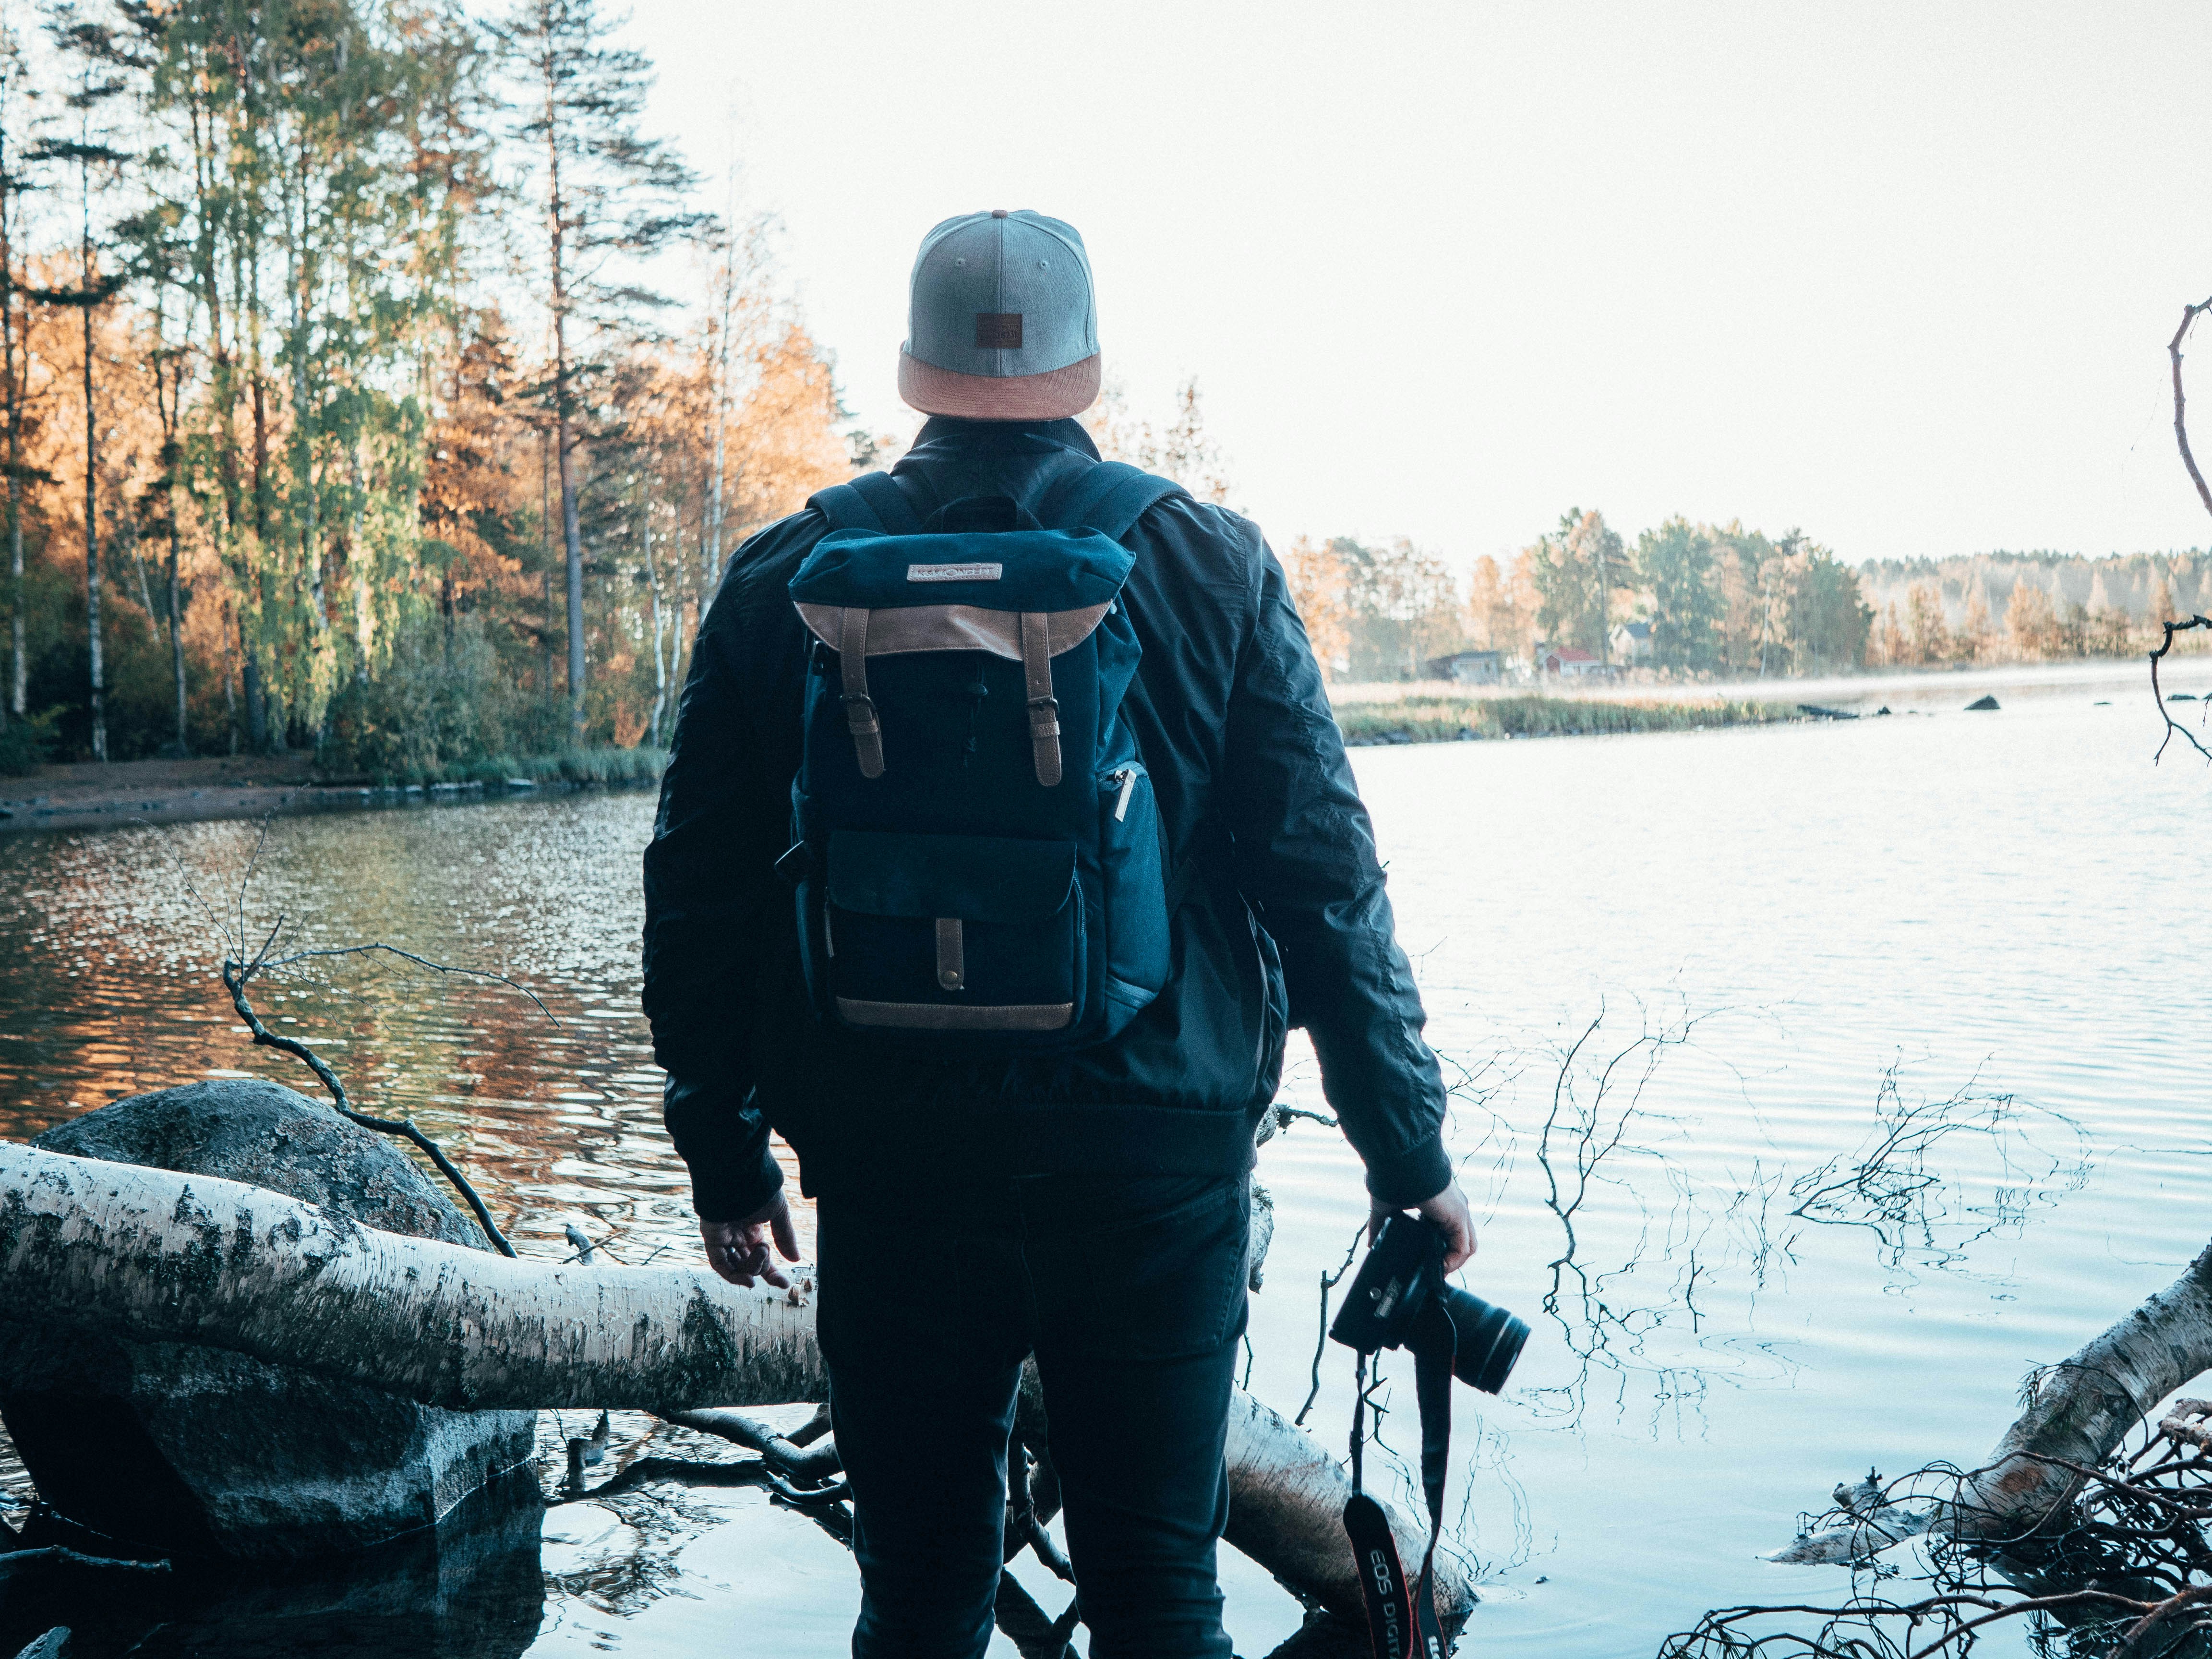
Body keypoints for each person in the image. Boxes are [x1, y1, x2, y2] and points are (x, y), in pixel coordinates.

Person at [642, 207, 1472, 1659]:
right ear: (1086, 374)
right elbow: (1327, 889)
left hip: (894, 1158)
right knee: (1157, 1591)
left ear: (915, 374)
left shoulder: (791, 573)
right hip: (1153, 1170)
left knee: (917, 1597)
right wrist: (1412, 1161)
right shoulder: (1210, 564)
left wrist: (726, 1148)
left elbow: (696, 887)